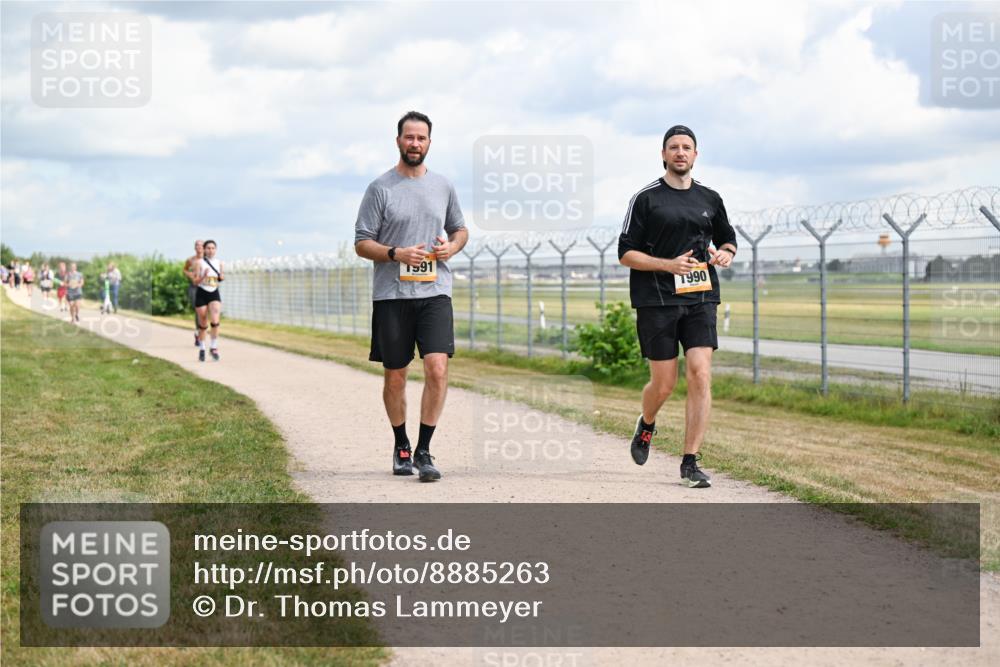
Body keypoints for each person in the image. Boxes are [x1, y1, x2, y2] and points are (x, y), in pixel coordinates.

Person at [617, 124, 737, 488]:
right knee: (664, 383)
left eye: (687, 147)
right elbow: (626, 254)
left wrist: (725, 254)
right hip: (657, 300)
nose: (680, 152)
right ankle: (647, 422)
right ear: (664, 155)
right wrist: (668, 265)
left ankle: (690, 461)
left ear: (695, 155)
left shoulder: (710, 199)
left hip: (701, 296)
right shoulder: (646, 199)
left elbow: (728, 238)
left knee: (700, 373)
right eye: (673, 147)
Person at [354, 111, 468, 482]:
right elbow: (361, 242)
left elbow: (460, 229)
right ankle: (401, 444)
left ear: (429, 143)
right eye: (409, 137)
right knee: (396, 377)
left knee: (437, 368)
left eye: (421, 138)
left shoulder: (443, 186)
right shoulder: (380, 189)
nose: (414, 143)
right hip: (392, 296)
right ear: (398, 141)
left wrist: (451, 247)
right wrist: (395, 254)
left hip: (435, 292)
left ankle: (424, 450)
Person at [193, 239, 223, 362]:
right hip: (202, 293)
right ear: (204, 250)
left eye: (213, 248)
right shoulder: (199, 263)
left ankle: (214, 347)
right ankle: (202, 348)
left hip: (214, 292)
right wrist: (203, 276)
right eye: (208, 248)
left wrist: (221, 277)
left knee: (215, 321)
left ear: (215, 250)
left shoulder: (220, 263)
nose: (210, 250)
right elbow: (195, 281)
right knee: (203, 323)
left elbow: (221, 277)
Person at [183, 240, 205, 347]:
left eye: (201, 245)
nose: (199, 247)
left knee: (205, 312)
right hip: (194, 288)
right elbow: (185, 270)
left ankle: (201, 332)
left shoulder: (208, 259)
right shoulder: (191, 260)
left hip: (206, 288)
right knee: (198, 311)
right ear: (194, 247)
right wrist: (190, 275)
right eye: (197, 245)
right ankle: (198, 333)